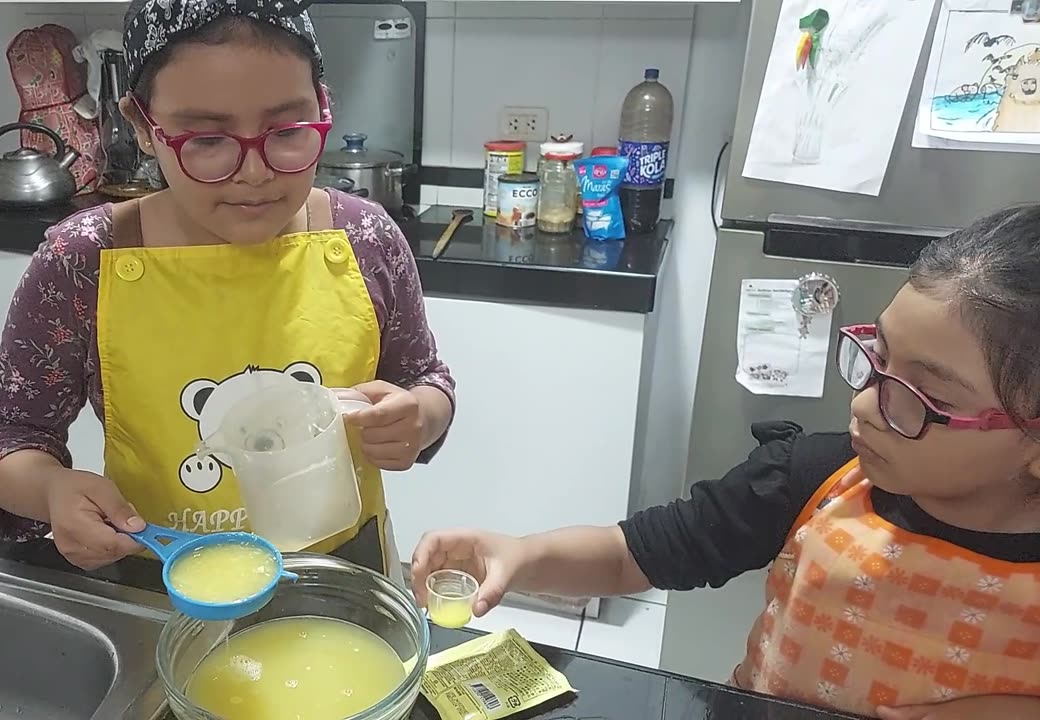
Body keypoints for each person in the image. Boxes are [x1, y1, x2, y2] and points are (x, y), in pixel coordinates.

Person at [412, 206, 1040, 720]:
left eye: (921, 397)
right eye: (878, 356)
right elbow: (637, 551)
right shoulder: (818, 478)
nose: (868, 405)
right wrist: (521, 556)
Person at [0, 0, 454, 581]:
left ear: (323, 106)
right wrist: (51, 490)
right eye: (207, 140)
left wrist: (419, 416)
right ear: (142, 126)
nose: (254, 172)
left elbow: (425, 379)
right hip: (164, 583)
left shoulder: (366, 238)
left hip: (339, 574)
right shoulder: (85, 258)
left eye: (288, 132)